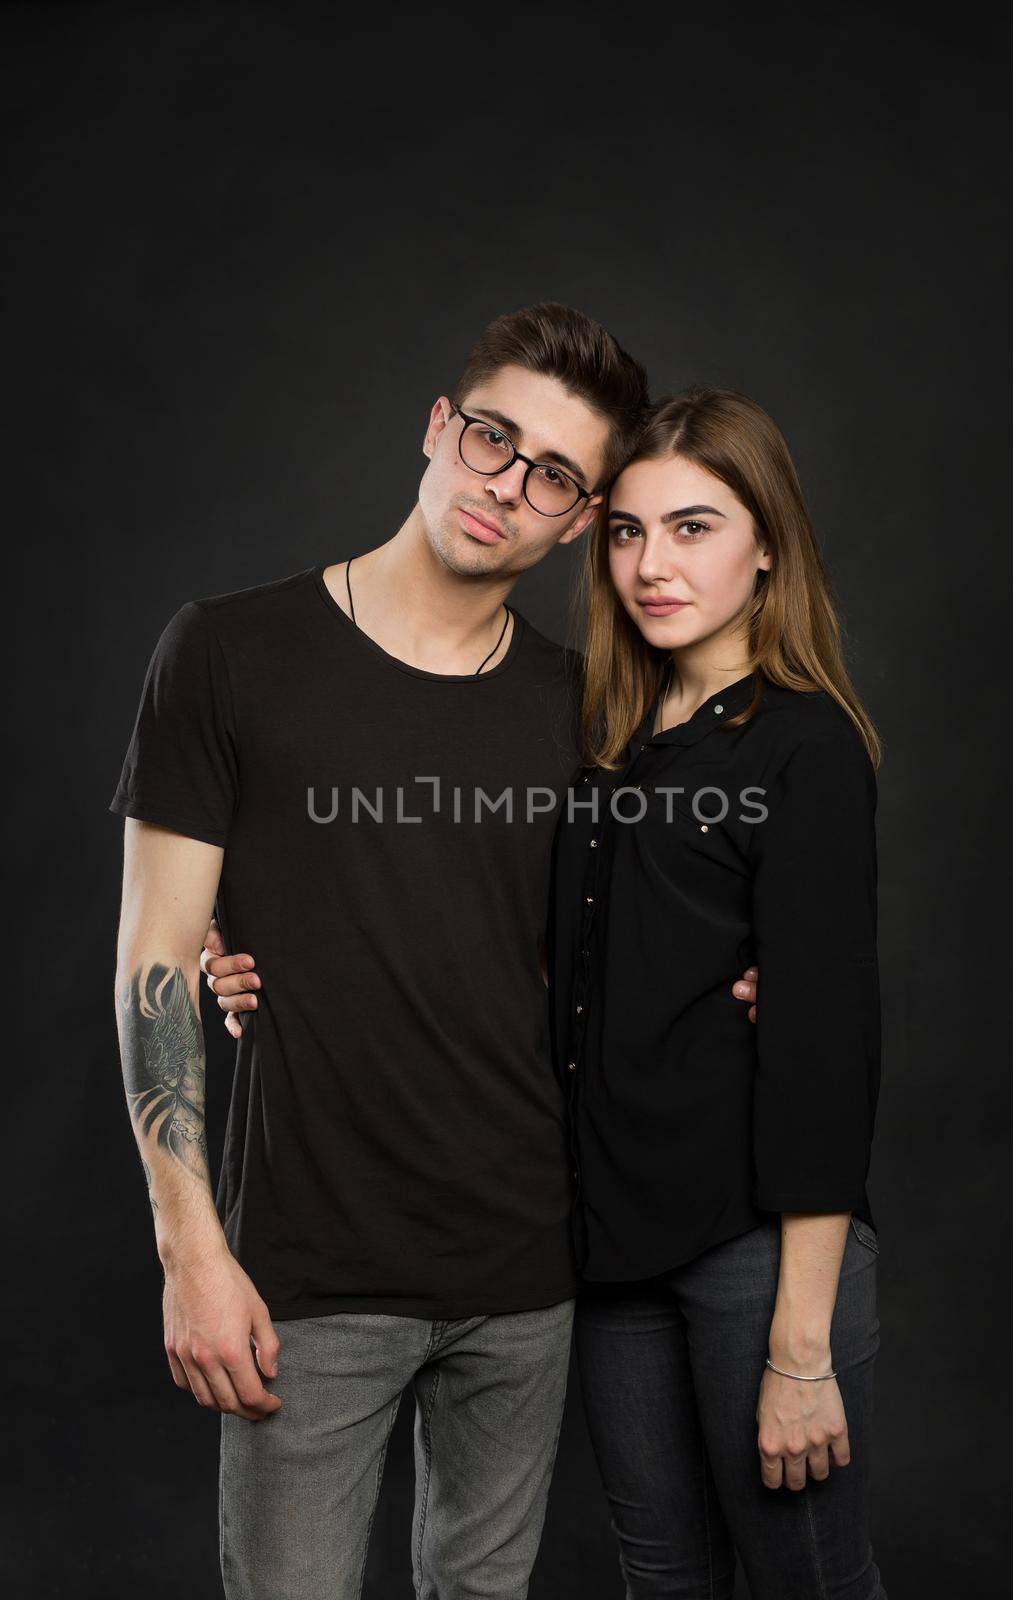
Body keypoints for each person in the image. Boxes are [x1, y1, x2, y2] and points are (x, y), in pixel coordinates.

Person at [111, 303, 764, 1600]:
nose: (505, 488)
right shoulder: (229, 653)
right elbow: (156, 961)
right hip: (304, 1277)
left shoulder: (586, 714)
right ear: (435, 427)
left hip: (525, 1276)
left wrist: (739, 979)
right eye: (488, 438)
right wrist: (191, 1251)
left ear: (578, 518)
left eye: (553, 476)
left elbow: (610, 969)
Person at [550, 386, 885, 1598]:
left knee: (806, 1580)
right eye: (627, 530)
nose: (650, 563)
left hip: (753, 1247)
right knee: (662, 1578)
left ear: (765, 547)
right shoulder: (605, 738)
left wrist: (799, 1349)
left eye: (691, 527)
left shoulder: (802, 744)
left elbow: (823, 1052)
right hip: (609, 1248)